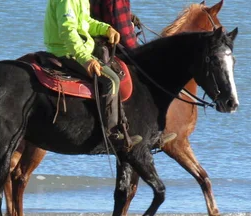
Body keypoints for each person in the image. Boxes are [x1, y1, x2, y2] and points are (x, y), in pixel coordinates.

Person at [44, 0, 142, 149]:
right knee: (111, 79)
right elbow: (67, 30)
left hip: (78, 49)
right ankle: (111, 134)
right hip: (66, 51)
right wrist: (85, 59)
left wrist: (106, 29)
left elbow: (86, 22)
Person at [89, 0, 177, 147]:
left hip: (97, 41)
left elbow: (106, 14)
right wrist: (140, 52)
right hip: (112, 46)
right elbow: (124, 34)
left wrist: (128, 15)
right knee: (151, 77)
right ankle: (149, 134)